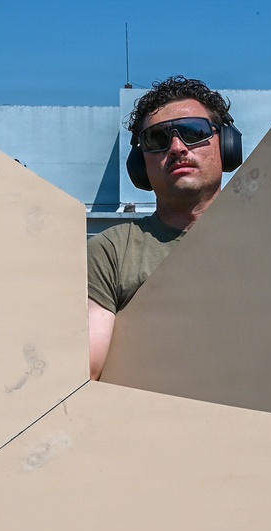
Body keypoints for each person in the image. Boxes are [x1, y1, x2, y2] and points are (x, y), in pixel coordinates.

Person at [87, 76, 241, 380]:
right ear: (139, 164)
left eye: (193, 132)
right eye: (157, 139)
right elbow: (87, 369)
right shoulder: (112, 252)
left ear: (227, 144)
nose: (176, 147)